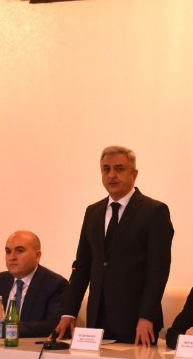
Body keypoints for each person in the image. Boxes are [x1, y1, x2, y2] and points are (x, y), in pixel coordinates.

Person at [54, 146, 174, 346]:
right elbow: (82, 266)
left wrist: (146, 316)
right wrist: (69, 311)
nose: (111, 175)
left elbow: (158, 270)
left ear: (134, 174)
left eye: (119, 168)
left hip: (136, 321)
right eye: (106, 169)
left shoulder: (154, 211)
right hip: (97, 319)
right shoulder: (93, 212)